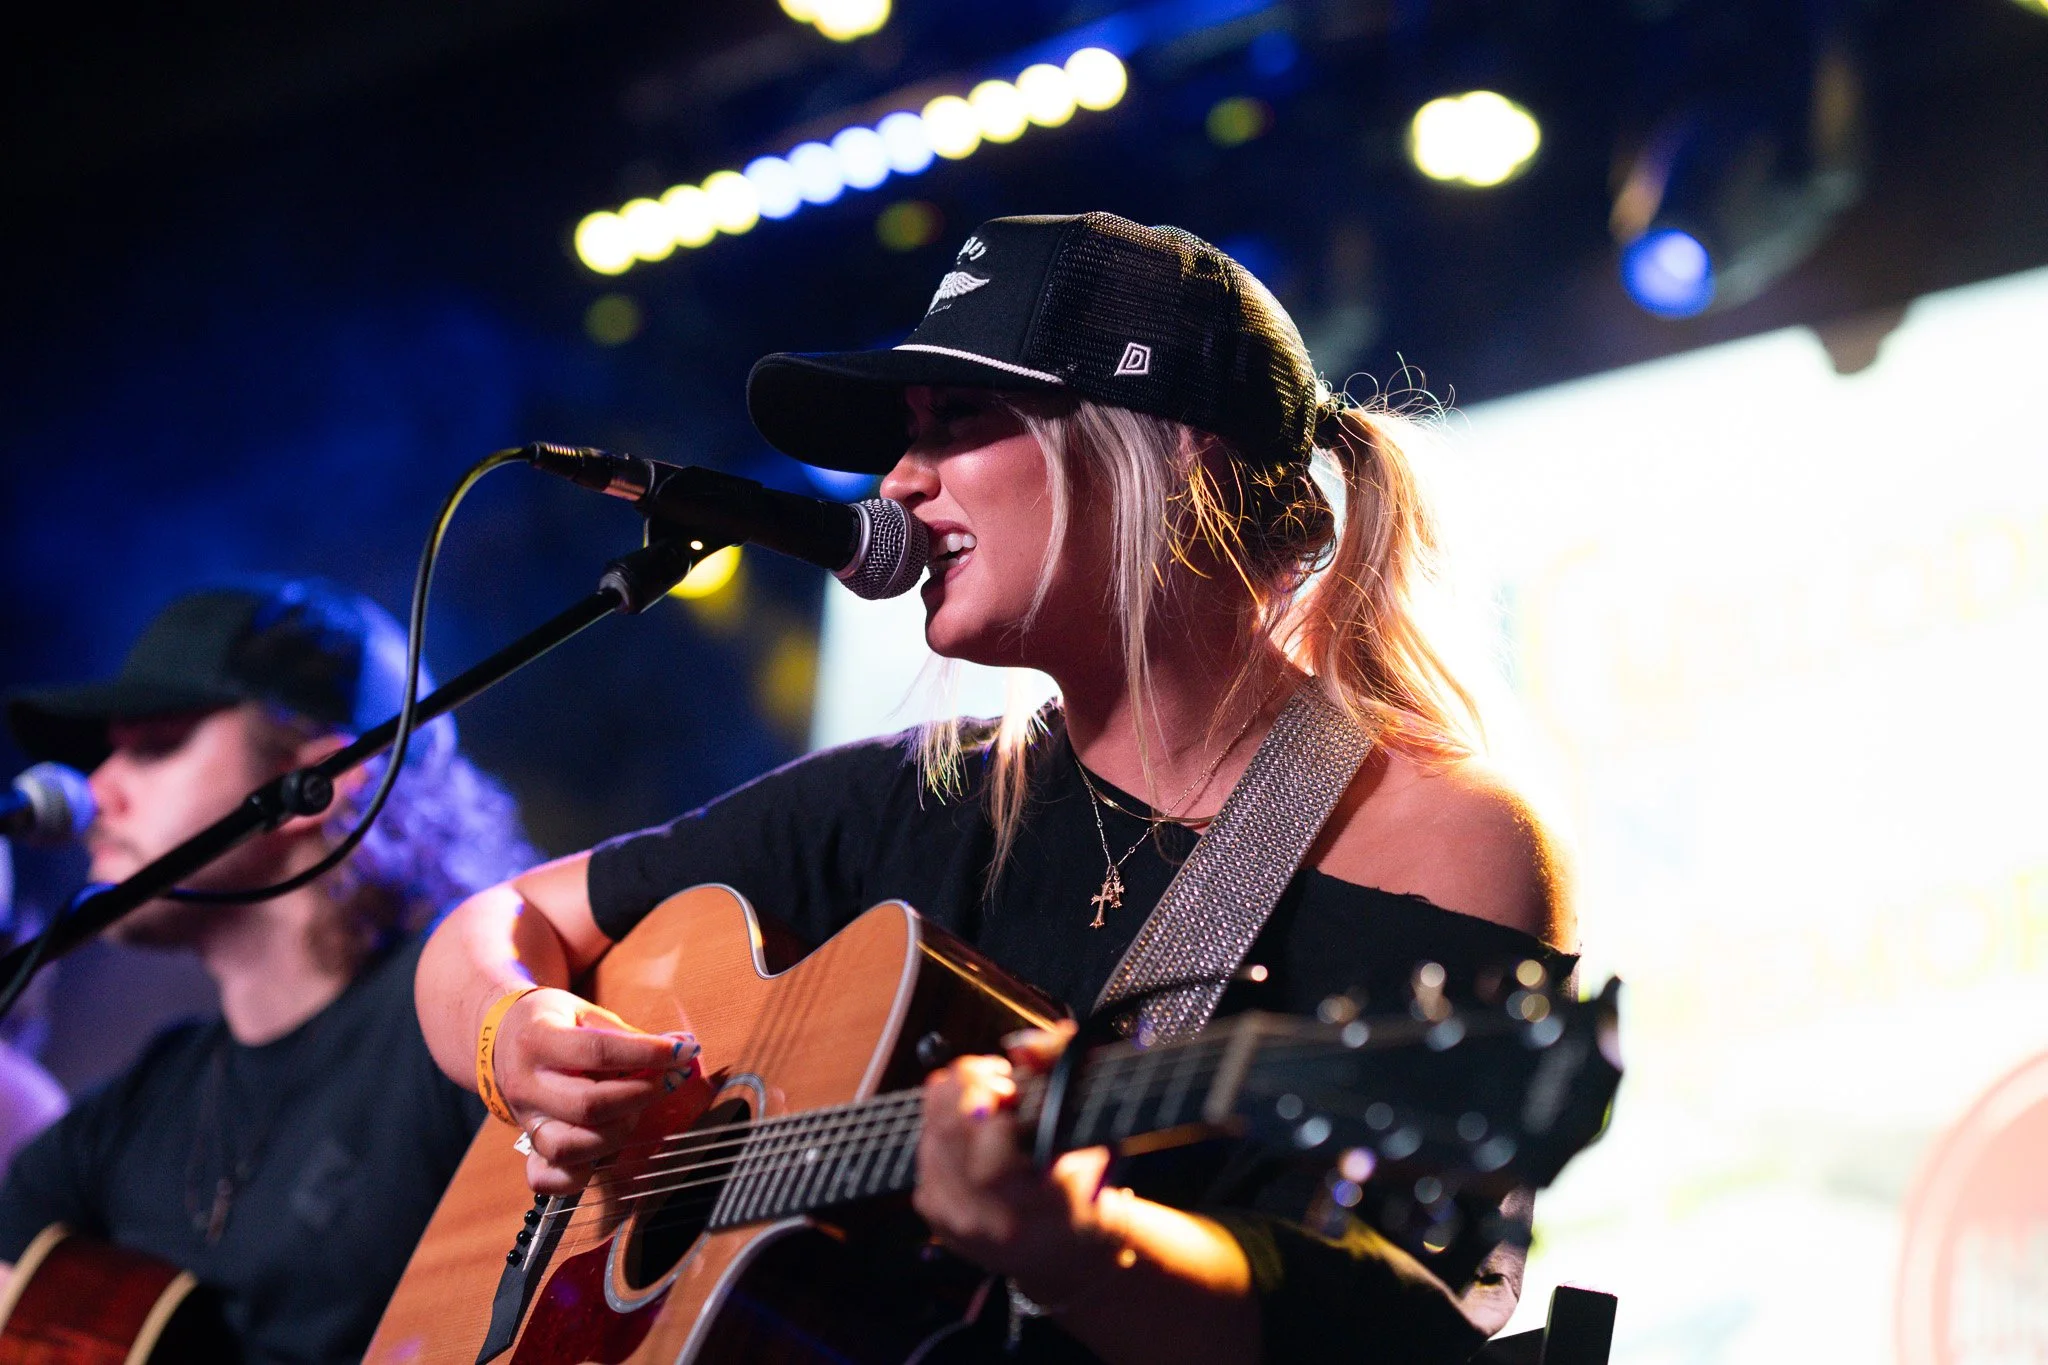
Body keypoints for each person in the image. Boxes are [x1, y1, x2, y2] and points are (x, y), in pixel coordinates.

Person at [415, 212, 1577, 1364]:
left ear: (1172, 448)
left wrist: (1083, 1249)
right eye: (905, 436)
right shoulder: (914, 797)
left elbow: (1388, 1326)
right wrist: (516, 1036)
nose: (896, 482)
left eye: (957, 421)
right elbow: (491, 924)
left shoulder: (1430, 835)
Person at [0, 577, 536, 1363]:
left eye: (155, 747)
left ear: (314, 786)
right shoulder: (129, 1113)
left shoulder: (462, 1024)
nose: (96, 788)